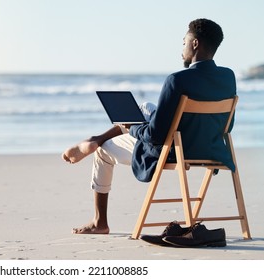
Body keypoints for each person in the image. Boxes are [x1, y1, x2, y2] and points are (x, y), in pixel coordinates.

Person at [62, 18, 237, 234]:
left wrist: (131, 127)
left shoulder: (176, 80)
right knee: (146, 107)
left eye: (184, 42)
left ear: (195, 44)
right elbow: (227, 126)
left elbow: (155, 136)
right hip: (211, 148)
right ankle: (98, 137)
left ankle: (100, 221)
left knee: (103, 152)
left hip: (174, 150)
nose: (181, 48)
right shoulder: (228, 77)